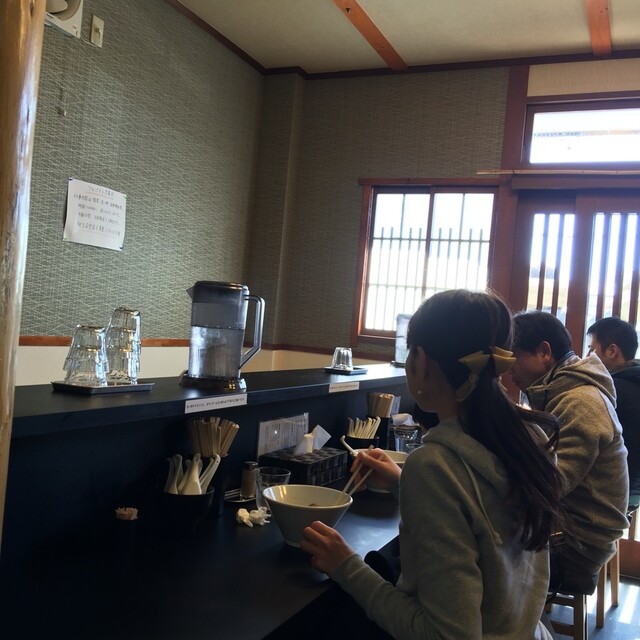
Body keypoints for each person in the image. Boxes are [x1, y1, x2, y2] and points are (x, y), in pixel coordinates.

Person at [300, 290, 565, 639]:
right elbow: (482, 517)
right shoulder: (530, 438)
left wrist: (346, 566)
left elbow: (445, 634)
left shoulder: (435, 465)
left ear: (420, 361)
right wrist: (402, 481)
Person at [510, 310, 629, 591]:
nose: (507, 369)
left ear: (544, 352)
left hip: (577, 544)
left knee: (468, 540)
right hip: (566, 526)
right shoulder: (561, 392)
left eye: (512, 357)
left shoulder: (580, 402)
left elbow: (550, 483)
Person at [587, 317, 640, 507]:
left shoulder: (613, 389)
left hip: (612, 491)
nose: (587, 357)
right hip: (634, 492)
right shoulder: (635, 381)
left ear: (611, 351)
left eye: (592, 349)